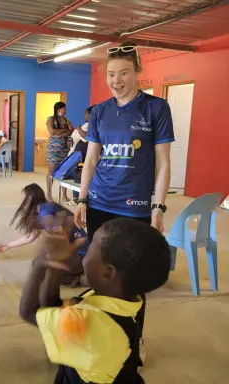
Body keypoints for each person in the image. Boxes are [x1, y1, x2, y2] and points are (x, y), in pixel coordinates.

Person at [73, 41, 174, 362]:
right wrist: (82, 199)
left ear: (138, 72)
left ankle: (134, 338)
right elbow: (90, 161)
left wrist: (158, 207)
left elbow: (163, 163)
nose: (117, 80)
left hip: (135, 207)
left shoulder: (156, 109)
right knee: (99, 271)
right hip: (100, 203)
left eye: (124, 73)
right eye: (111, 74)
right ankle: (103, 333)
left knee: (133, 277)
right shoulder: (100, 111)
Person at [19, 218, 171, 384]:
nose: (83, 252)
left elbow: (29, 312)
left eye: (90, 247)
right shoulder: (129, 298)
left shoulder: (91, 323)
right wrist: (56, 264)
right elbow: (53, 309)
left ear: (107, 273)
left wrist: (39, 265)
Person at [0, 184, 87, 287]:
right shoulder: (45, 208)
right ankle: (77, 272)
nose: (22, 204)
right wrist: (8, 245)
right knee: (39, 263)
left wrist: (54, 256)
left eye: (23, 200)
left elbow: (61, 237)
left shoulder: (45, 213)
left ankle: (80, 277)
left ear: (30, 199)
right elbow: (31, 236)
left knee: (42, 270)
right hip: (78, 251)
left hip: (81, 254)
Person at [63, 105, 95, 206]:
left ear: (90, 114)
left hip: (83, 156)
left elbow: (86, 137)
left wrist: (78, 129)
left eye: (86, 113)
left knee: (79, 175)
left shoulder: (91, 126)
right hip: (76, 154)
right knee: (76, 175)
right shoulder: (86, 125)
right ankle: (76, 198)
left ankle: (80, 197)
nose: (84, 115)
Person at [46, 102, 73, 201]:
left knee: (64, 172)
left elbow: (71, 131)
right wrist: (64, 130)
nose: (65, 111)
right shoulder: (51, 119)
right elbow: (52, 131)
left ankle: (64, 195)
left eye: (65, 109)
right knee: (51, 171)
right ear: (58, 110)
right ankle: (49, 194)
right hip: (53, 149)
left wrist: (61, 131)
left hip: (64, 149)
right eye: (63, 109)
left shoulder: (66, 120)